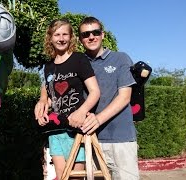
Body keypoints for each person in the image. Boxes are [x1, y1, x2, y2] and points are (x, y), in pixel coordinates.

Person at [35, 16, 139, 180]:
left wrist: (95, 118)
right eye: (86, 34)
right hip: (87, 134)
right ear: (81, 38)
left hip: (118, 138)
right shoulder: (77, 60)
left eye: (95, 32)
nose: (91, 36)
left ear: (102, 34)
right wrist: (42, 99)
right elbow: (52, 86)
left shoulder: (119, 58)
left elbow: (124, 97)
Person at [36, 18, 100, 180]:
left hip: (76, 130)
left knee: (75, 177)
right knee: (61, 176)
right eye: (57, 34)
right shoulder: (48, 66)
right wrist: (43, 106)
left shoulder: (79, 59)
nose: (61, 38)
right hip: (56, 131)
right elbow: (52, 96)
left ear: (71, 37)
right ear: (50, 38)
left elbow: (95, 92)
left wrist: (81, 111)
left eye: (65, 34)